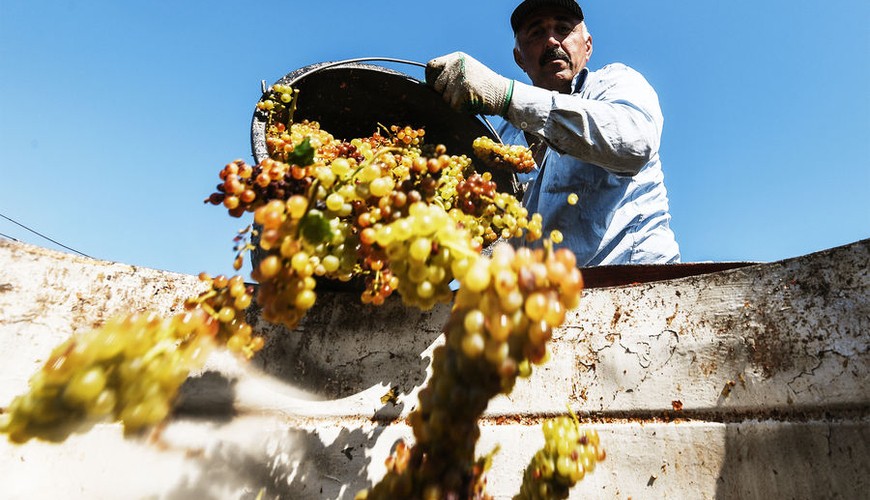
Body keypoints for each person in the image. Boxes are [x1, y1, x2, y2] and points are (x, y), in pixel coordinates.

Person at [426, 0, 680, 266]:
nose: (551, 41)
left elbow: (633, 144)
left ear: (588, 46)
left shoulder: (616, 85)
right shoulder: (499, 137)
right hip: (542, 300)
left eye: (563, 29)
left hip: (640, 286)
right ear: (519, 58)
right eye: (536, 33)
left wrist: (506, 96)